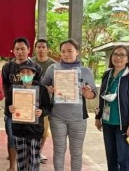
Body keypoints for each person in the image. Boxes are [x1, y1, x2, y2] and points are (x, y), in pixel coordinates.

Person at [42, 38, 97, 171]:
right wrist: (48, 88)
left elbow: (93, 94)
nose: (66, 54)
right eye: (63, 51)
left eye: (70, 51)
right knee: (59, 151)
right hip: (57, 117)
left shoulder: (86, 71)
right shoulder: (53, 68)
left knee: (77, 153)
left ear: (77, 52)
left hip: (78, 118)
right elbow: (43, 84)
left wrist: (86, 93)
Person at [95, 45, 129, 171]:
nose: (118, 57)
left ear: (128, 59)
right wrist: (98, 116)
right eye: (115, 54)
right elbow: (101, 96)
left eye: (122, 55)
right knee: (111, 158)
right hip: (107, 123)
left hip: (124, 125)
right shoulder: (107, 75)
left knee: (123, 158)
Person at [2, 37, 42, 171]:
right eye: (17, 49)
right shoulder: (7, 67)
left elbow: (39, 89)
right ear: (13, 51)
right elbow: (6, 87)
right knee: (13, 139)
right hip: (12, 111)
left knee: (31, 142)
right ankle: (12, 166)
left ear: (29, 50)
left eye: (22, 49)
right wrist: (10, 106)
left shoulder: (36, 67)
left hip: (31, 113)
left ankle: (32, 165)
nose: (20, 52)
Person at [7, 64, 51, 171]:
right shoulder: (14, 88)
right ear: (19, 74)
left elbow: (48, 107)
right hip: (19, 129)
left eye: (29, 72)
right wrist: (10, 109)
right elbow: (7, 107)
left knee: (34, 159)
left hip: (35, 130)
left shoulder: (41, 89)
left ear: (34, 74)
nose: (26, 74)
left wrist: (42, 111)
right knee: (21, 159)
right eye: (22, 72)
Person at [30, 38, 57, 163]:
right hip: (29, 100)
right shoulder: (29, 62)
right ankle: (29, 151)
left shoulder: (54, 65)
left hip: (45, 102)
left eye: (43, 47)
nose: (41, 49)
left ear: (47, 49)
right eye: (38, 47)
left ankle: (38, 152)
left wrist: (52, 88)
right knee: (30, 128)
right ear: (35, 49)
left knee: (44, 130)